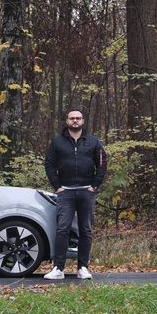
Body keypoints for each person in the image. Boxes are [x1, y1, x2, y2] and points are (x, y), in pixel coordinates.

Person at [43, 109, 107, 280]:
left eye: (78, 118)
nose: (75, 121)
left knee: (85, 230)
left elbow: (102, 164)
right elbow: (49, 164)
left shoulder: (93, 142)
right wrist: (57, 186)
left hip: (87, 192)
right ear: (67, 121)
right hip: (66, 192)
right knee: (62, 229)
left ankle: (83, 268)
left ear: (83, 121)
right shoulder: (57, 142)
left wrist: (94, 186)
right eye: (72, 118)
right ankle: (58, 268)